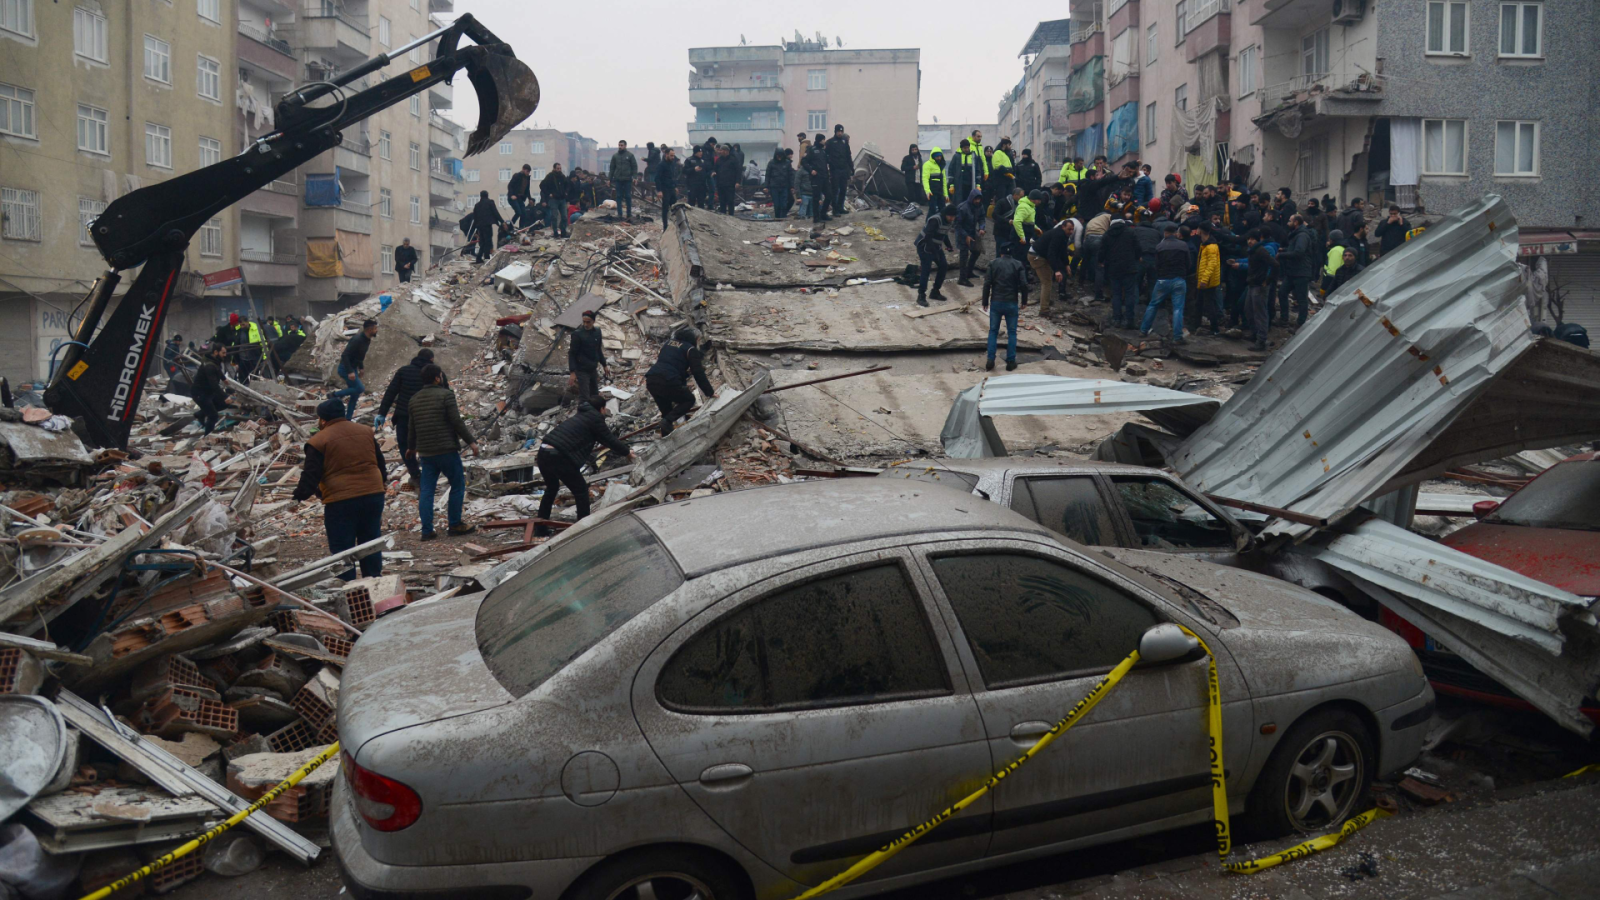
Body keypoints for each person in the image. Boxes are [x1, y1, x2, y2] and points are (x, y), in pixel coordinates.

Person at [292, 399, 387, 581]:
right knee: (371, 542)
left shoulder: (318, 441)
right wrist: (381, 484)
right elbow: (379, 463)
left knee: (342, 549)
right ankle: (375, 582)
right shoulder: (365, 431)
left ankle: (349, 588)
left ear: (322, 420)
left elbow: (311, 474)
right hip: (373, 495)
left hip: (341, 500)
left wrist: (298, 497)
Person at [534, 402, 632, 535]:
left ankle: (540, 529)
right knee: (581, 491)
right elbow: (609, 440)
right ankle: (583, 530)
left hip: (543, 452)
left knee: (551, 489)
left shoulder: (579, 416)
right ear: (601, 408)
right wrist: (627, 453)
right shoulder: (595, 419)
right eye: (604, 409)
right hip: (559, 456)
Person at [406, 364, 479, 540]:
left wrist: (411, 447)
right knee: (457, 484)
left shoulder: (414, 400)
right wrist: (471, 442)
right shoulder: (446, 395)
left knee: (427, 491)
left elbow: (412, 428)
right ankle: (454, 524)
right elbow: (456, 422)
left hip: (426, 453)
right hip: (446, 450)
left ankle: (427, 530)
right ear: (437, 378)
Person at [375, 348, 435, 486]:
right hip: (427, 416)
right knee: (427, 445)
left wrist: (382, 413)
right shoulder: (435, 373)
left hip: (404, 416)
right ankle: (427, 473)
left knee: (405, 446)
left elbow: (391, 392)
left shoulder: (403, 371)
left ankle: (415, 474)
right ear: (431, 359)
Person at [645, 325, 716, 437]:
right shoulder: (690, 349)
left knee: (667, 412)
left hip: (651, 380)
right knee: (688, 400)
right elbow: (698, 373)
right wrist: (710, 392)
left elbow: (671, 363)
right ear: (695, 339)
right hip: (668, 381)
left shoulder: (668, 344)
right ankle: (667, 423)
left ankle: (666, 438)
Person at [1142, 224, 1193, 342]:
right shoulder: (1183, 245)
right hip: (1179, 280)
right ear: (1175, 233)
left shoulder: (1160, 246)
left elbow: (1156, 265)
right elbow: (1189, 263)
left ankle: (1144, 330)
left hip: (1163, 280)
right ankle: (1177, 336)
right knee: (1178, 308)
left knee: (1153, 305)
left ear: (1165, 233)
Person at [983, 249, 1029, 372]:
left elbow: (987, 283)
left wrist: (985, 301)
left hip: (996, 302)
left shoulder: (993, 263)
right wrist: (1024, 301)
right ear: (1011, 254)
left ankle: (990, 360)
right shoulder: (1018, 264)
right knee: (1012, 332)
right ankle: (1011, 362)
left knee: (993, 331)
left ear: (1001, 253)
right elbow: (1024, 284)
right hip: (1011, 302)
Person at [1239, 229, 1278, 351]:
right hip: (1252, 284)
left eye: (1252, 239)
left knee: (1260, 313)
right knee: (1248, 310)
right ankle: (1255, 334)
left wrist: (1268, 280)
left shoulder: (1261, 251)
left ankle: (1261, 341)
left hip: (1259, 287)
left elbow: (1275, 264)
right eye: (1249, 239)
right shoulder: (1253, 251)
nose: (1250, 241)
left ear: (1258, 240)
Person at [1101, 216, 1142, 328]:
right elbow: (1138, 247)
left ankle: (1116, 319)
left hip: (1113, 268)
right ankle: (1129, 320)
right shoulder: (1130, 232)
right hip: (1129, 267)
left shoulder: (1107, 234)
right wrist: (1137, 257)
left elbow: (1102, 251)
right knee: (1130, 293)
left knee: (1116, 294)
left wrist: (1101, 262)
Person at [1031, 217, 1077, 318]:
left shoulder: (1063, 235)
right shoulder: (1058, 235)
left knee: (1048, 279)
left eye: (1072, 229)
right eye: (1069, 229)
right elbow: (1052, 253)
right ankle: (1044, 310)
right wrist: (1057, 270)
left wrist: (1066, 264)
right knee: (1047, 282)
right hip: (1036, 256)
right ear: (1063, 227)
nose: (1071, 231)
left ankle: (1045, 303)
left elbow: (1062, 251)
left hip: (1041, 255)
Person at [1277, 214, 1316, 327]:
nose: (1287, 223)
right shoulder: (1296, 235)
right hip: (1293, 272)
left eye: (1290, 221)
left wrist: (1281, 255)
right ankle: (1284, 319)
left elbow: (1299, 252)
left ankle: (1301, 324)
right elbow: (1294, 249)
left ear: (1296, 223)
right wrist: (1284, 249)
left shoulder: (1302, 236)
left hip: (1301, 272)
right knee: (1282, 292)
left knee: (1301, 299)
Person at [332, 318, 375, 419]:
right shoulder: (357, 339)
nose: (376, 330)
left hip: (353, 368)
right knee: (360, 388)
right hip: (345, 368)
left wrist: (361, 367)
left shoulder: (366, 340)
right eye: (375, 328)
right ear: (369, 329)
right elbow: (345, 355)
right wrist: (350, 371)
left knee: (355, 395)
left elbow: (359, 355)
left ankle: (348, 419)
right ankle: (334, 395)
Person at [915, 205, 957, 307]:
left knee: (943, 266)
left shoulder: (948, 222)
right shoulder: (935, 220)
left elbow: (944, 234)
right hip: (924, 246)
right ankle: (921, 295)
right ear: (945, 214)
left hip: (936, 246)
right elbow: (928, 237)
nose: (952, 219)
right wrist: (935, 253)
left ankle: (935, 291)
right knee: (926, 269)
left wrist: (949, 246)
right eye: (950, 216)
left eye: (953, 217)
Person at [567, 309, 608, 409]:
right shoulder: (577, 334)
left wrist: (604, 364)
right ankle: (583, 416)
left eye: (588, 322)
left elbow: (598, 349)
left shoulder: (597, 332)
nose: (585, 324)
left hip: (592, 368)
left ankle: (595, 414)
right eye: (584, 321)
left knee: (594, 393)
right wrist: (572, 372)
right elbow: (572, 353)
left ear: (593, 321)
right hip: (581, 369)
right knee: (584, 396)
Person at [192, 342, 230, 434]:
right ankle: (207, 437)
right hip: (200, 393)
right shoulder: (209, 366)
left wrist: (224, 378)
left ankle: (201, 414)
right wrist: (225, 396)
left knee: (224, 404)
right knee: (213, 416)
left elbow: (218, 369)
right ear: (216, 352)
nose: (225, 355)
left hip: (207, 392)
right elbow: (214, 385)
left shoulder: (213, 360)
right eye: (223, 353)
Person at [1195, 224, 1224, 336]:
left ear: (1201, 230)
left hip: (1208, 282)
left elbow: (1211, 264)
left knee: (1209, 305)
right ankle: (1197, 325)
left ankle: (1215, 328)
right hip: (1204, 280)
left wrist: (1204, 280)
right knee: (1200, 303)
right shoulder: (1205, 244)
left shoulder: (1210, 246)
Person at [955, 188, 985, 287]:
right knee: (964, 256)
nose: (977, 201)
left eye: (979, 199)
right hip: (962, 234)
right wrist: (965, 236)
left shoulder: (979, 207)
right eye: (976, 199)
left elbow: (982, 218)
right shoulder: (962, 208)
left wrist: (981, 228)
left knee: (976, 252)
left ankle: (969, 271)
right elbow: (957, 225)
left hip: (972, 233)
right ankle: (962, 278)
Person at [804, 135, 830, 227]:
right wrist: (811, 170)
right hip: (816, 178)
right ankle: (816, 217)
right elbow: (804, 162)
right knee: (816, 198)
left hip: (825, 177)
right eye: (823, 139)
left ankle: (823, 213)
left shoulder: (823, 151)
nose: (824, 141)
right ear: (819, 140)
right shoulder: (812, 150)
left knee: (829, 195)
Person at [825, 124, 852, 216]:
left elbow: (848, 156)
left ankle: (840, 208)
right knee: (835, 190)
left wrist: (852, 168)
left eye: (841, 131)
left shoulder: (845, 142)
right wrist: (831, 164)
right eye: (838, 131)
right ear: (835, 132)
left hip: (844, 170)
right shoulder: (830, 142)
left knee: (843, 189)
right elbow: (825, 155)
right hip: (835, 170)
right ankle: (835, 210)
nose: (840, 133)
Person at [948, 139, 984, 207]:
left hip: (970, 184)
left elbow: (978, 171)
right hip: (959, 184)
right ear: (961, 148)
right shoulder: (957, 156)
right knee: (959, 203)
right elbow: (951, 171)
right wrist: (951, 185)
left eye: (968, 147)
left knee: (971, 202)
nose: (967, 149)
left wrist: (978, 184)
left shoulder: (973, 156)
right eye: (965, 148)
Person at [608, 140, 637, 220]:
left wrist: (635, 177)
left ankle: (628, 214)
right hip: (618, 179)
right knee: (618, 196)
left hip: (627, 179)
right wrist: (609, 179)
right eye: (619, 145)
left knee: (628, 196)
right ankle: (620, 214)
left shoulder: (630, 155)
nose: (620, 147)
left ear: (625, 146)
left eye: (622, 145)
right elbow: (612, 168)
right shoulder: (615, 156)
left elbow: (634, 167)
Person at [471, 190, 503, 260]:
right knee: (488, 241)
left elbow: (475, 217)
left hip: (480, 226)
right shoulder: (490, 202)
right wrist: (502, 221)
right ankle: (486, 257)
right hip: (487, 225)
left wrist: (476, 228)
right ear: (487, 195)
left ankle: (479, 257)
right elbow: (495, 213)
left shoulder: (477, 205)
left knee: (482, 242)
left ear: (481, 196)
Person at [1013, 189, 1042, 265]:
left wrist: (1036, 228)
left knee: (1024, 257)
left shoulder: (1030, 207)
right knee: (1020, 258)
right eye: (1039, 200)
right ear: (1034, 199)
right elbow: (1017, 221)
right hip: (1020, 238)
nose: (1040, 202)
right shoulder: (1024, 207)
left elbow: (1029, 221)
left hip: (1027, 235)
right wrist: (1022, 237)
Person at [540, 165, 570, 237]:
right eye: (557, 168)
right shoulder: (550, 176)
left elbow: (567, 185)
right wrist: (549, 194)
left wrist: (566, 192)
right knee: (554, 217)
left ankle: (563, 232)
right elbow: (542, 185)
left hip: (562, 199)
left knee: (564, 217)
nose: (559, 170)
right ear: (554, 169)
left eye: (560, 168)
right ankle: (555, 232)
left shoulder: (562, 177)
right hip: (553, 199)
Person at [654, 147, 680, 225]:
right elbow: (657, 178)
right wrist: (659, 190)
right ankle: (665, 226)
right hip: (664, 189)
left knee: (675, 208)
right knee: (665, 209)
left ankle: (675, 225)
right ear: (666, 155)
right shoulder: (661, 165)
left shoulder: (672, 164)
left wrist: (675, 186)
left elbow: (672, 176)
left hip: (671, 188)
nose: (673, 157)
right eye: (671, 156)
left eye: (673, 155)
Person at [713, 145, 741, 215]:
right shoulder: (719, 160)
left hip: (730, 184)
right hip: (721, 184)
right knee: (722, 201)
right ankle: (723, 215)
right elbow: (715, 169)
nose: (720, 151)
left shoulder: (733, 160)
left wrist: (737, 182)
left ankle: (731, 215)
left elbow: (738, 171)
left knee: (730, 200)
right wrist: (713, 173)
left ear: (726, 151)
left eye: (722, 150)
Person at [766, 149, 795, 219]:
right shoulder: (771, 163)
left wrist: (792, 186)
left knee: (784, 203)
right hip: (774, 187)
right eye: (778, 156)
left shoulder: (787, 163)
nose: (779, 157)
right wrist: (766, 186)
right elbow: (768, 175)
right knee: (776, 204)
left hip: (784, 186)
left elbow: (791, 175)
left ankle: (783, 216)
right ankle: (777, 216)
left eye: (780, 156)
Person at [921, 147, 948, 218]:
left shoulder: (942, 165)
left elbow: (944, 181)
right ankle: (928, 225)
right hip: (932, 192)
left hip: (940, 191)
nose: (939, 158)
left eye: (940, 156)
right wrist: (927, 191)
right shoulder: (927, 165)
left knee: (943, 209)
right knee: (932, 209)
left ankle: (942, 224)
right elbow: (925, 179)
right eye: (937, 156)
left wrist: (946, 194)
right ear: (933, 156)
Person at [507, 164, 533, 229]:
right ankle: (510, 227)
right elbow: (510, 185)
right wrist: (512, 195)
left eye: (529, 172)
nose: (528, 173)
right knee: (518, 212)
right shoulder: (517, 176)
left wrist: (530, 198)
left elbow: (527, 190)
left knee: (524, 213)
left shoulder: (527, 178)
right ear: (523, 169)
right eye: (527, 171)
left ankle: (521, 227)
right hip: (513, 198)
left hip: (520, 198)